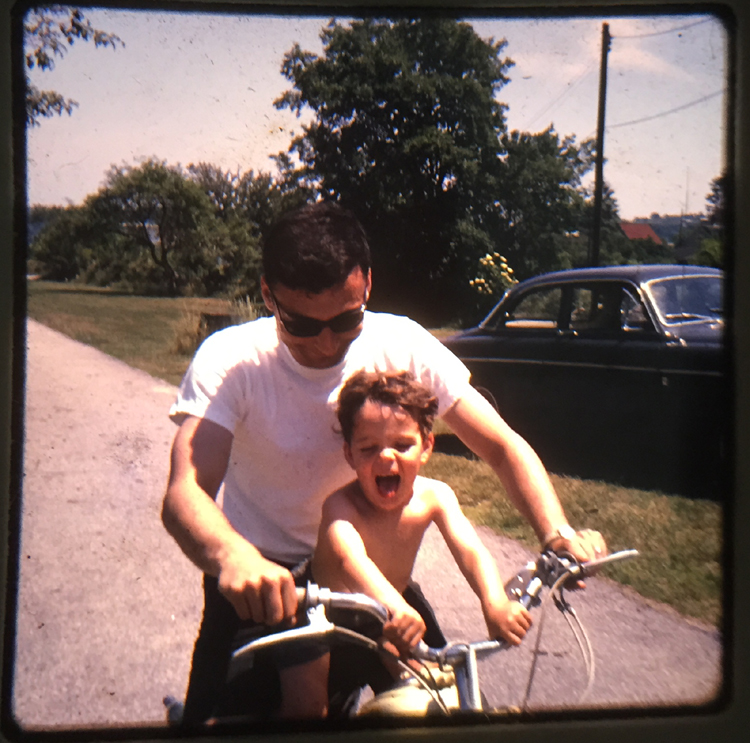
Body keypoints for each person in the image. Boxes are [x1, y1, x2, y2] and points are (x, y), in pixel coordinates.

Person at [161, 201, 608, 723]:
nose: (326, 342)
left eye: (346, 319)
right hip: (268, 581)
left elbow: (502, 446)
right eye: (301, 324)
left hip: (375, 576)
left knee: (450, 709)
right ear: (267, 294)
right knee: (212, 725)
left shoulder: (403, 343)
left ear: (367, 286)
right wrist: (233, 557)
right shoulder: (231, 359)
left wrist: (556, 533)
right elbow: (185, 491)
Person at [304, 369, 533, 702]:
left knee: (438, 690)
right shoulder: (341, 505)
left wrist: (494, 602)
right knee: (308, 708)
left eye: (402, 445)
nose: (386, 456)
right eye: (368, 448)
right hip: (328, 616)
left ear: (426, 447)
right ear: (349, 454)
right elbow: (350, 560)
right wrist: (396, 607)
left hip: (393, 611)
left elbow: (470, 550)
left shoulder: (434, 496)